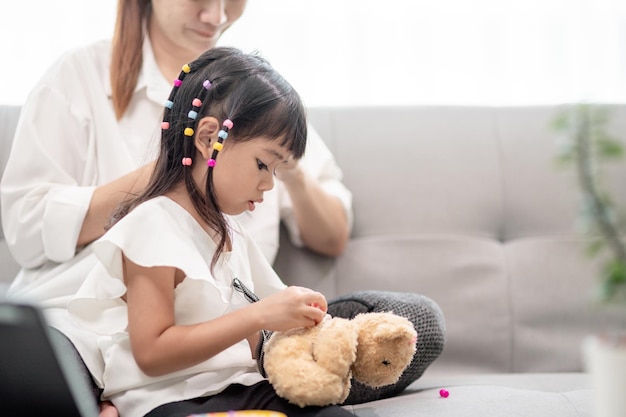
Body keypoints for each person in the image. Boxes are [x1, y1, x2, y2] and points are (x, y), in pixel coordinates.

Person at [1, 0, 444, 414]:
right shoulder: (81, 78)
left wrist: (281, 156)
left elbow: (328, 235)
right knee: (32, 370)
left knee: (413, 325)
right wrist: (178, 167)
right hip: (88, 336)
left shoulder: (257, 99)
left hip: (235, 351)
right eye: (262, 166)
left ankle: (304, 376)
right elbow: (25, 228)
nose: (216, 14)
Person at [67, 45, 356, 417]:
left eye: (276, 172)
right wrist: (259, 316)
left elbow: (271, 310)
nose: (269, 185)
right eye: (263, 165)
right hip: (168, 398)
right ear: (208, 139)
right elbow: (152, 352)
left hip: (242, 386)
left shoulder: (230, 231)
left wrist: (307, 318)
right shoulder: (151, 225)